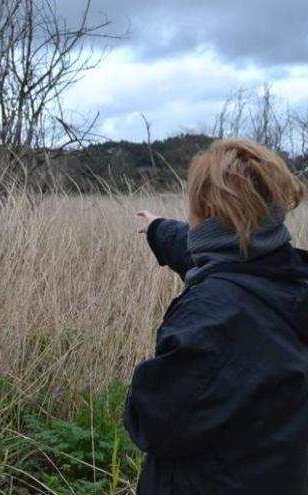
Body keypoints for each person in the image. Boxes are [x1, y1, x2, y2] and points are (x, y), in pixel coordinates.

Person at [127, 138, 308, 494]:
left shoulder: (212, 317)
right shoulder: (288, 274)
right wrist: (158, 229)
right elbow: (213, 253)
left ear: (207, 211)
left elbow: (154, 421)